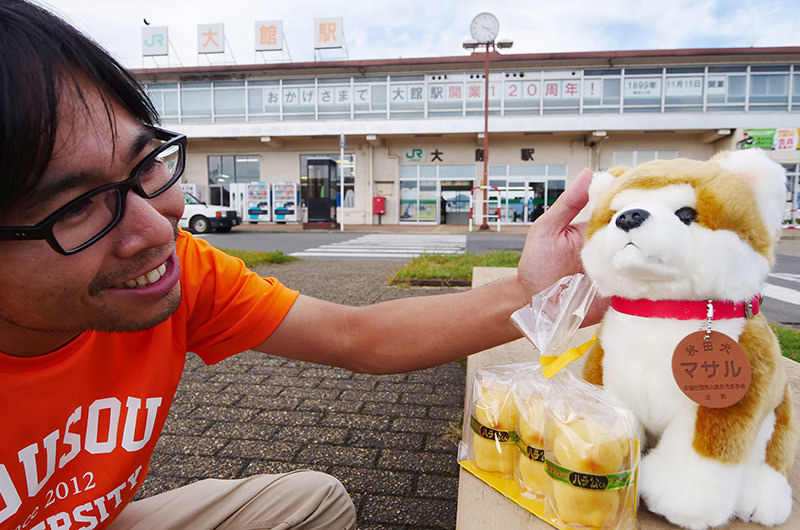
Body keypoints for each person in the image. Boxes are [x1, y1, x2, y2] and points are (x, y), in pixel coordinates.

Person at [0, 1, 598, 528]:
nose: (159, 229)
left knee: (314, 503)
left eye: (145, 166)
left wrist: (532, 291)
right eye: (76, 207)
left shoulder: (182, 271)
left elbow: (353, 335)